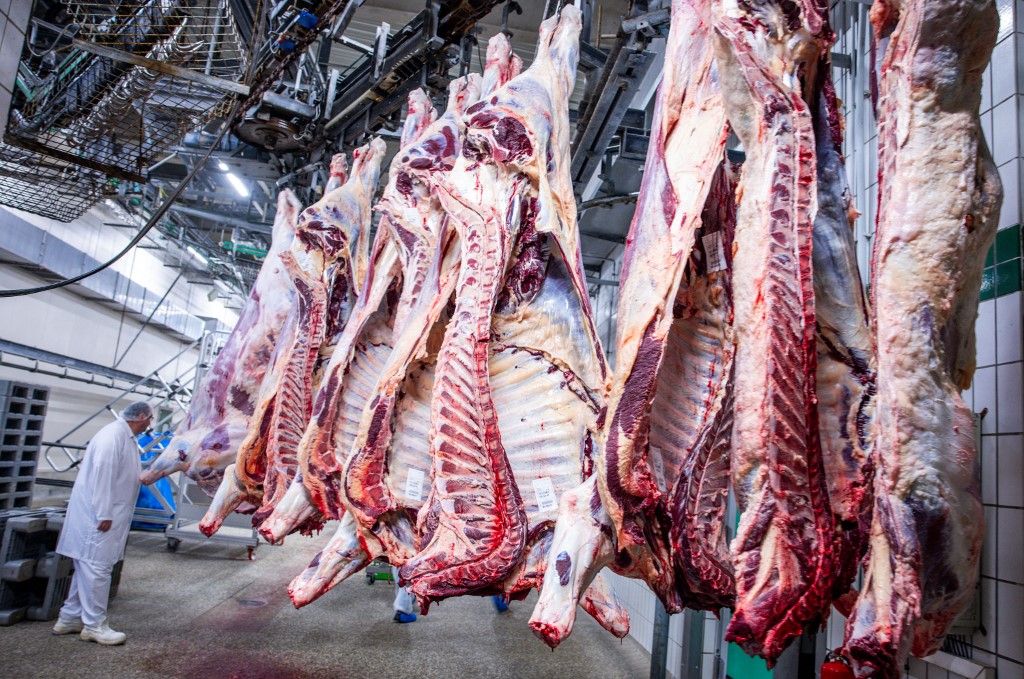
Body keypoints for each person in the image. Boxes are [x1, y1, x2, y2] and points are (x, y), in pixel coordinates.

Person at [52, 402, 152, 645]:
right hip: (98, 518)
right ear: (140, 416)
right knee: (98, 569)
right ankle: (95, 626)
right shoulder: (112, 436)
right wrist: (104, 514)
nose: (150, 424)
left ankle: (69, 618)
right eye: (149, 419)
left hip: (107, 514)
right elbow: (102, 476)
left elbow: (128, 473)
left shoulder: (125, 437)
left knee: (86, 569)